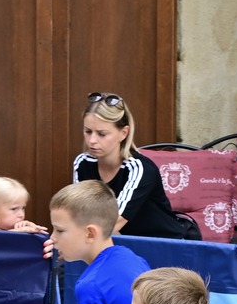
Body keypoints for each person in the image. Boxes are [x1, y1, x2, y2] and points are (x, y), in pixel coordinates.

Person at [71, 92, 189, 240]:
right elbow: (79, 213)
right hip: (119, 242)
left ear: (123, 133)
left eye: (102, 134)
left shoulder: (139, 168)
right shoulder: (83, 163)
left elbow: (113, 223)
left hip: (164, 245)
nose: (92, 140)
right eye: (88, 131)